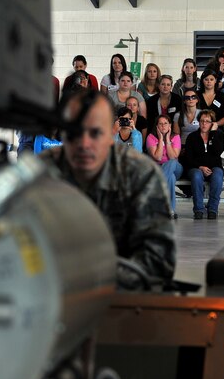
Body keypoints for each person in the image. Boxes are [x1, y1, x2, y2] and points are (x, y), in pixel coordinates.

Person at [41, 89, 175, 287]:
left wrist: (89, 279)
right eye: (74, 133)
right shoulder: (41, 173)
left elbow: (158, 262)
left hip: (119, 297)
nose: (84, 143)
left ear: (111, 133)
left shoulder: (140, 174)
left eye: (95, 133)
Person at [183, 110, 224, 219]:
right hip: (196, 167)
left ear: (212, 123)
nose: (204, 124)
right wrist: (200, 167)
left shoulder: (218, 135)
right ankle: (198, 209)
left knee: (218, 175)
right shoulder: (192, 137)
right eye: (202, 121)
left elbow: (218, 151)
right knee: (196, 176)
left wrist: (213, 134)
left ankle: (213, 209)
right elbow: (188, 158)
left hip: (214, 167)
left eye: (207, 121)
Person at [146, 114, 183, 219]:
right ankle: (170, 210)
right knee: (171, 178)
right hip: (159, 168)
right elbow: (157, 157)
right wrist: (160, 139)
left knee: (171, 162)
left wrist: (167, 140)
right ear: (156, 126)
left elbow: (173, 156)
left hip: (176, 168)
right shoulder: (151, 137)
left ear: (170, 125)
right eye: (160, 124)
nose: (163, 126)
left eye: (165, 123)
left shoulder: (175, 137)